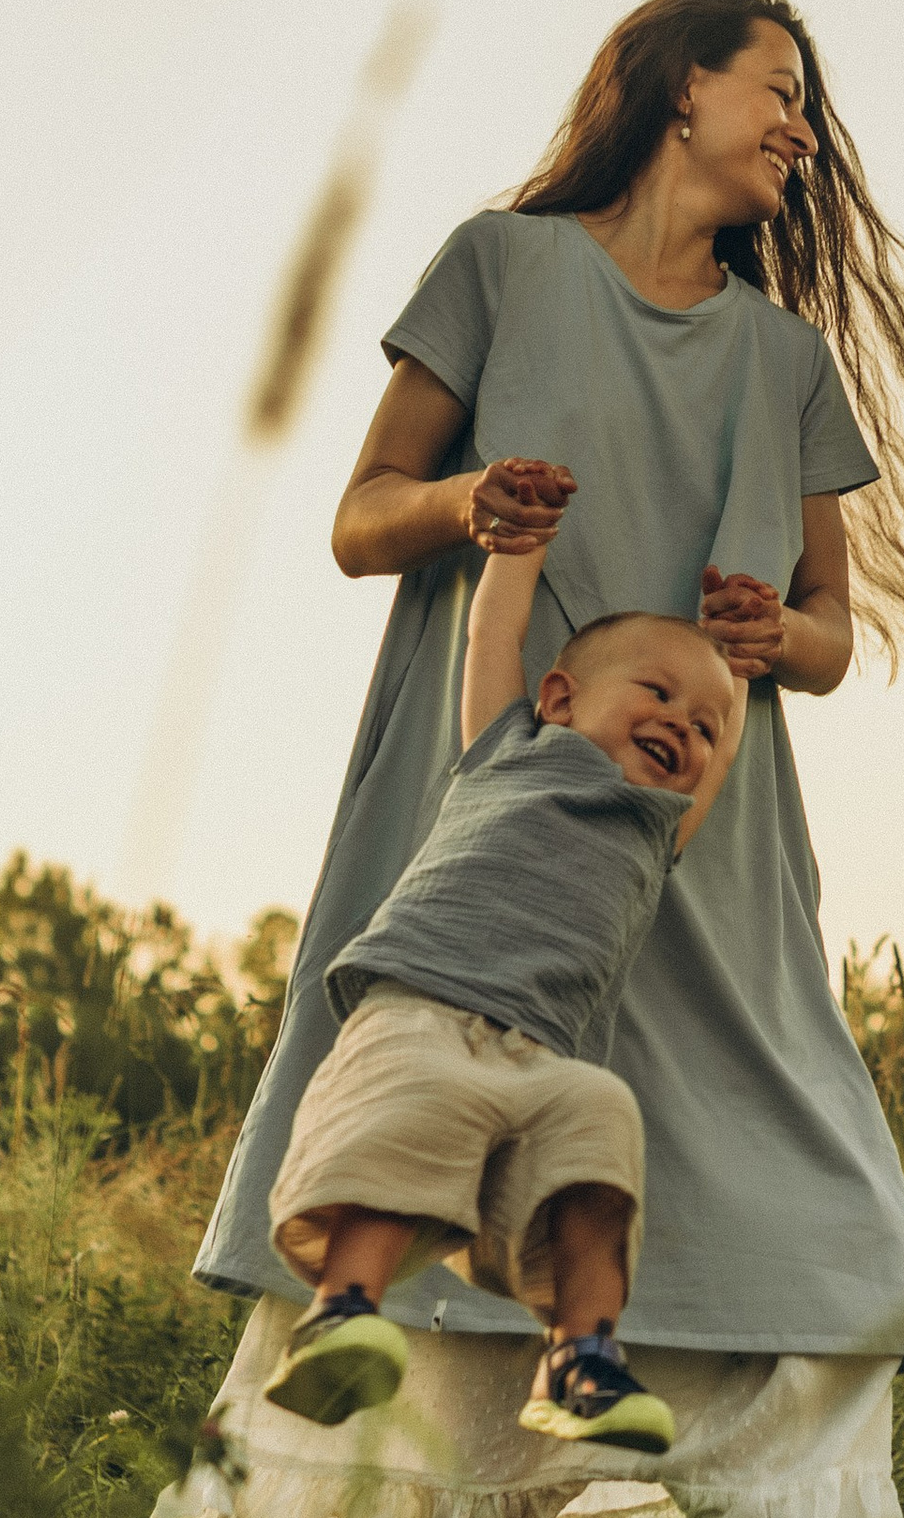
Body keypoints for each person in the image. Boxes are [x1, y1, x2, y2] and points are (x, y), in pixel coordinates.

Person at [153, 0, 904, 1518]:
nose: (800, 125)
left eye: (806, 101)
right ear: (670, 88)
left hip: (705, 833)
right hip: (487, 796)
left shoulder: (785, 362)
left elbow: (836, 635)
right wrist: (472, 509)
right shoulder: (503, 264)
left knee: (822, 1224)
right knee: (468, 1203)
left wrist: (769, 635)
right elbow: (356, 518)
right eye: (774, 88)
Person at [260, 494, 745, 1455]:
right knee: (413, 1114)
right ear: (562, 699)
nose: (682, 727)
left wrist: (742, 669)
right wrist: (517, 550)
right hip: (424, 1004)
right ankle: (340, 1312)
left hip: (539, 1055)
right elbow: (496, 632)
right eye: (656, 693)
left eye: (702, 726)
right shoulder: (511, 750)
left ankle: (579, 1359)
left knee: (604, 1121)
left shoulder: (656, 833)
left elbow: (717, 754)